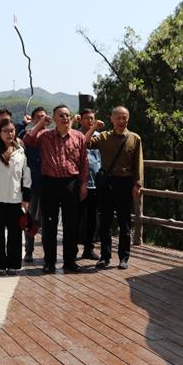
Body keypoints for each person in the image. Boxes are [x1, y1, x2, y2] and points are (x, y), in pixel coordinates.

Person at [23, 104, 89, 274]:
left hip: (71, 184)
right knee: (49, 225)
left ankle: (70, 261)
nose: (65, 118)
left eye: (67, 115)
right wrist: (41, 123)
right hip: (49, 184)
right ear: (54, 119)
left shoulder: (79, 137)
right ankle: (49, 262)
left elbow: (84, 162)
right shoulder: (45, 135)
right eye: (61, 115)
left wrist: (83, 184)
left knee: (71, 224)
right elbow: (27, 140)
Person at [85, 106, 144, 270]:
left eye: (124, 117)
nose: (121, 121)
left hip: (125, 183)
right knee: (105, 221)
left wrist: (137, 184)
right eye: (118, 117)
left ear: (128, 119)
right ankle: (105, 257)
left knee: (124, 222)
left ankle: (124, 258)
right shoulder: (104, 136)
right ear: (112, 119)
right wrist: (94, 127)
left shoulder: (134, 138)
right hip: (106, 182)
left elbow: (138, 163)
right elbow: (85, 142)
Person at [0, 118, 30, 275]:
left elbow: (26, 176)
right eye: (6, 131)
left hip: (15, 198)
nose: (9, 134)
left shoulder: (21, 151)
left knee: (15, 234)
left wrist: (26, 198)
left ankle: (14, 265)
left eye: (12, 131)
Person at [19, 107, 47, 263]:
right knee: (30, 220)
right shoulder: (26, 133)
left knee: (47, 221)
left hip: (47, 183)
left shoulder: (50, 134)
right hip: (31, 184)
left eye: (44, 116)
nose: (41, 119)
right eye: (38, 117)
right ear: (33, 118)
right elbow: (24, 138)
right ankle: (28, 251)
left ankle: (47, 252)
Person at [76, 109, 101, 260]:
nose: (90, 121)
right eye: (86, 118)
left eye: (92, 118)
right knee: (75, 217)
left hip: (95, 182)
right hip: (78, 182)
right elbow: (84, 143)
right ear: (80, 120)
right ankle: (72, 249)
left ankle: (89, 248)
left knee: (92, 218)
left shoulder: (100, 136)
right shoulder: (75, 135)